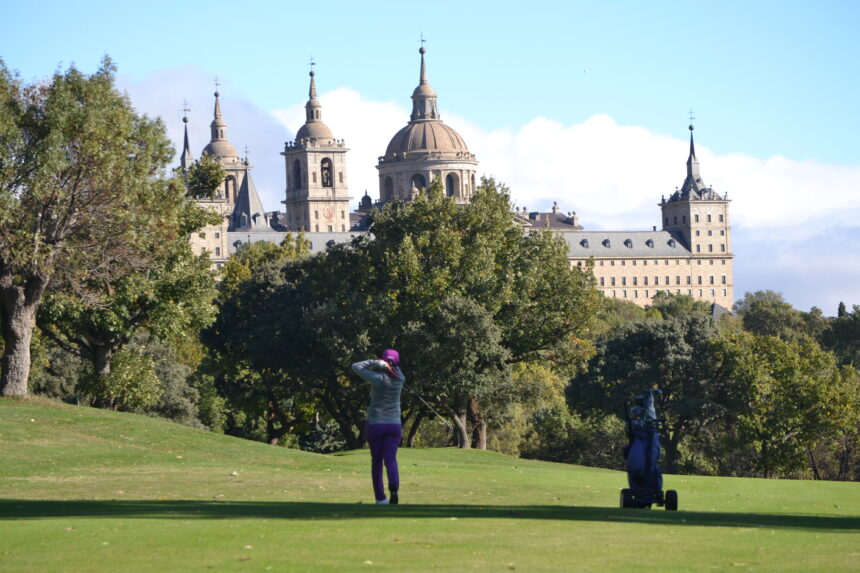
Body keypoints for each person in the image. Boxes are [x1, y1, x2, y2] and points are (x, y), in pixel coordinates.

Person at [351, 349, 405, 505]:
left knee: (377, 462)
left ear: (383, 360)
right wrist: (390, 365)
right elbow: (396, 370)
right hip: (394, 425)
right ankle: (394, 488)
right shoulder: (400, 378)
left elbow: (356, 366)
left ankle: (380, 498)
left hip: (376, 424)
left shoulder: (378, 378)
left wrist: (375, 363)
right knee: (391, 459)